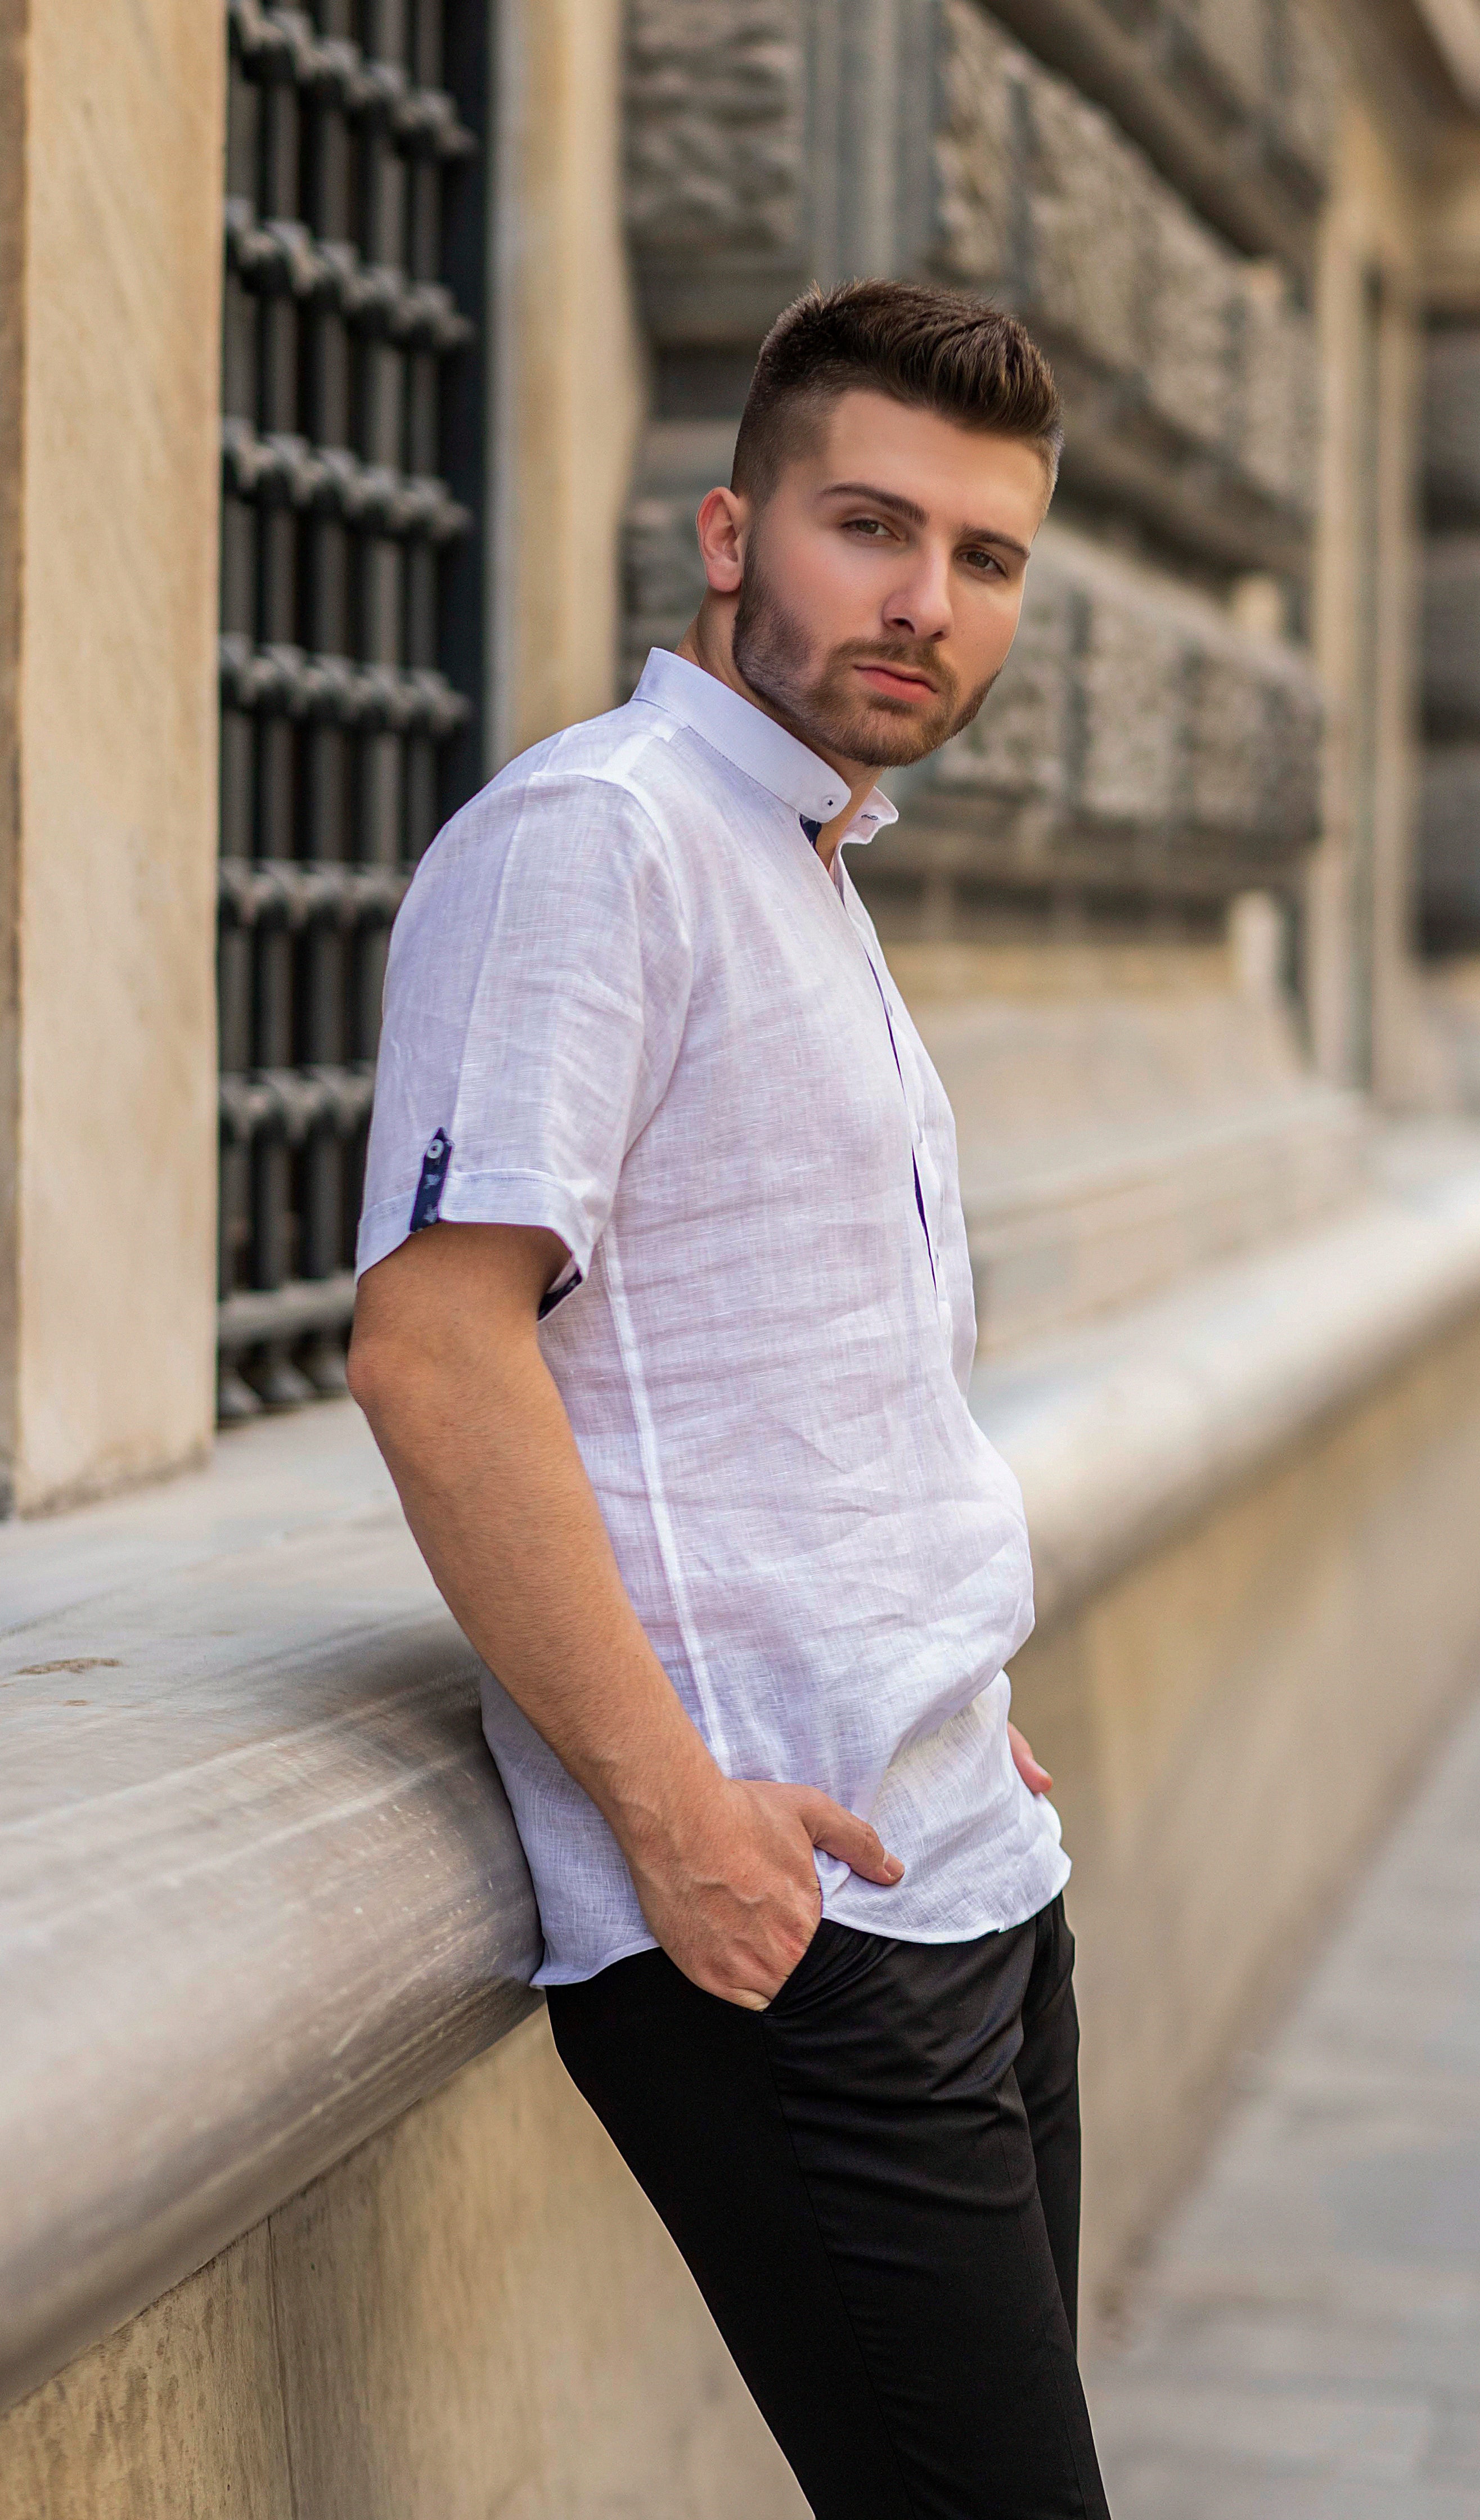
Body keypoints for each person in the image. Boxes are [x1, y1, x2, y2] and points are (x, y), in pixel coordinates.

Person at [348, 278, 1110, 2519]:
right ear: (728, 531)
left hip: (969, 1855)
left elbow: (782, 1358)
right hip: (795, 1951)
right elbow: (433, 1347)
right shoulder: (600, 838)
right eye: (870, 525)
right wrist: (676, 1812)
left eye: (985, 559)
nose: (925, 600)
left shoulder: (800, 854)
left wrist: (933, 1659)